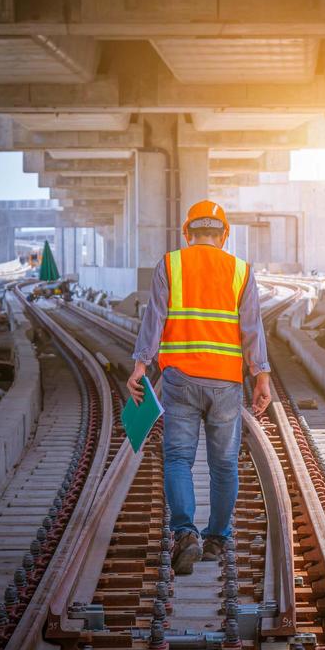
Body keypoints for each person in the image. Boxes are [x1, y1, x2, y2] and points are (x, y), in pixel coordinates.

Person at [128, 200, 271, 575]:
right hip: (225, 382)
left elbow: (154, 318)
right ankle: (216, 540)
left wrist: (140, 366)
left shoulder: (171, 264)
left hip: (180, 379)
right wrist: (261, 376)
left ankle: (185, 533)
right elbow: (252, 328)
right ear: (224, 235)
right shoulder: (240, 270)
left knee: (178, 460)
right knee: (224, 465)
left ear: (187, 233)